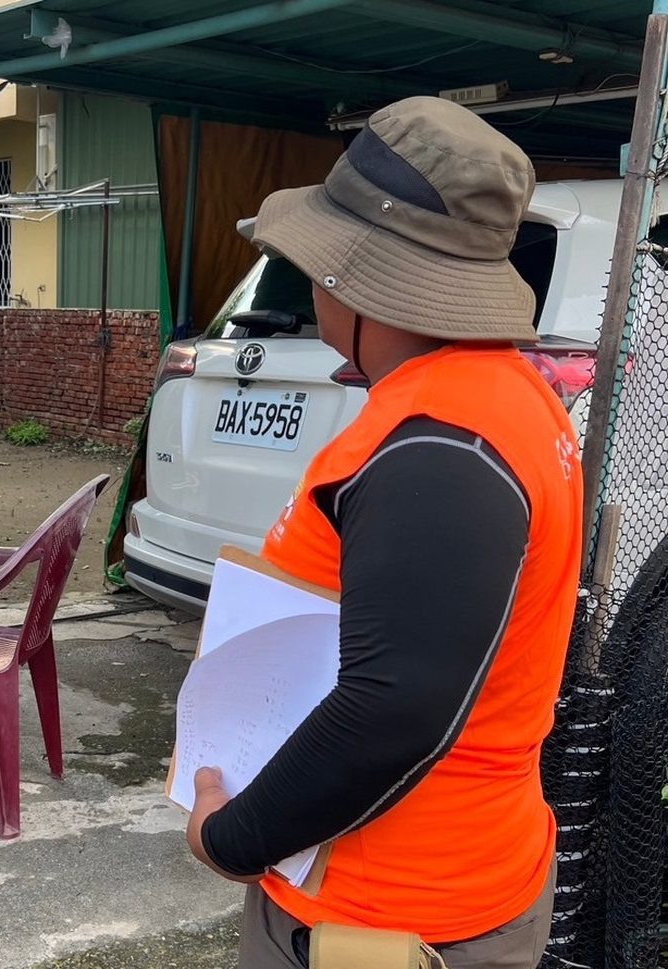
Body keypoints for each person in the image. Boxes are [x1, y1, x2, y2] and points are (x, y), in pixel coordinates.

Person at [184, 96, 583, 967]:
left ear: (354, 280)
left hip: (383, 920)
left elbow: (392, 709)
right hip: (441, 883)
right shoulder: (499, 394)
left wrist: (232, 838)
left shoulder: (440, 441)